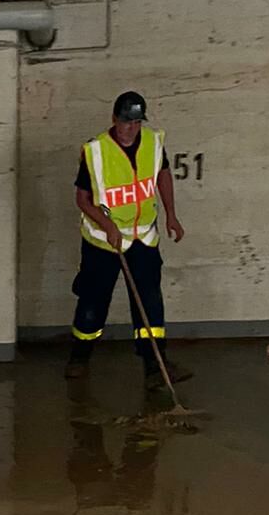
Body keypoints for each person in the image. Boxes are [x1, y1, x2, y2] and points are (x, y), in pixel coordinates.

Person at [67, 90, 190, 386]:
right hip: (102, 242)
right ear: (114, 119)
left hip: (143, 238)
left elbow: (162, 175)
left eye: (136, 122)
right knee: (94, 302)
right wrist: (106, 224)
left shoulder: (153, 142)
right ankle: (79, 358)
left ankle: (154, 365)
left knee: (149, 302)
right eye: (125, 122)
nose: (131, 129)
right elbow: (83, 199)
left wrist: (171, 215)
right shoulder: (96, 151)